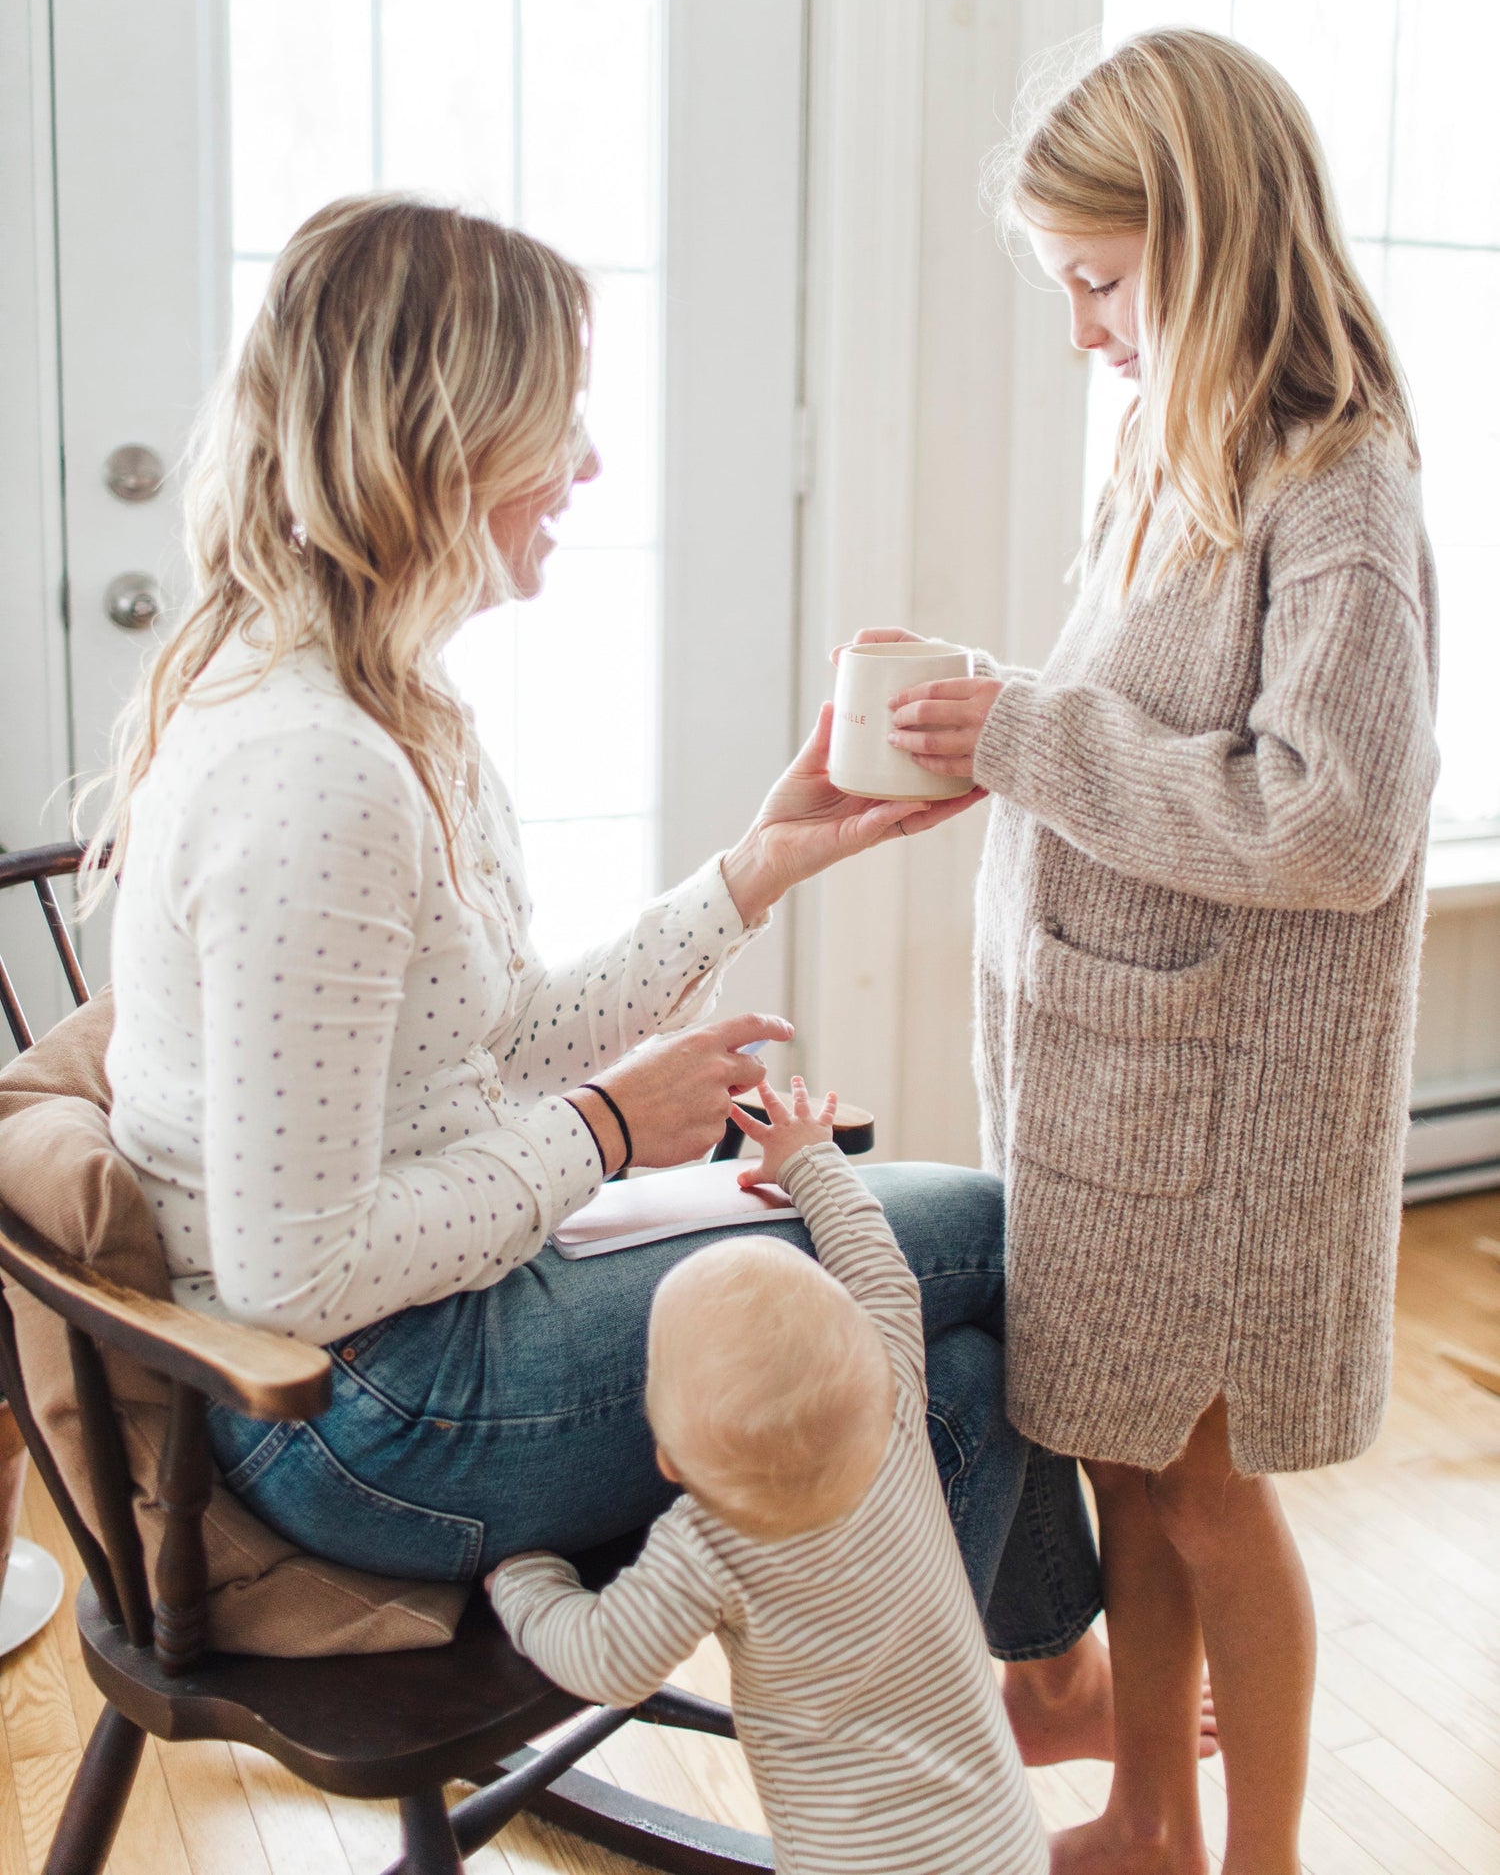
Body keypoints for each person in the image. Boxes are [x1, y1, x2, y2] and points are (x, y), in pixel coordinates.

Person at [83, 191, 1107, 1750]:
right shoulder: (315, 771)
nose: (591, 463)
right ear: (445, 437)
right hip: (354, 1413)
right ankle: (954, 1736)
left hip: (421, 1327)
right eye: (560, 416)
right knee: (984, 1233)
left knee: (951, 1373)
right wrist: (611, 1131)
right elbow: (299, 1275)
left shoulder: (387, 701)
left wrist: (760, 862)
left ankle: (965, 1732)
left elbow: (490, 1041)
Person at [877, 29, 1438, 1874]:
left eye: (1102, 283)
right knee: (1125, 1457)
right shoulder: (1164, 446)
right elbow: (1139, 715)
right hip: (1115, 1086)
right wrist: (995, 727)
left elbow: (1335, 819)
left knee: (1204, 1484)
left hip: (1224, 1112)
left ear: (1208, 240)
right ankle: (1147, 1819)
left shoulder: (1337, 486)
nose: (1084, 331)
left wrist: (1030, 736)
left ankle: (1255, 1857)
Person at [490, 1077, 1049, 1875]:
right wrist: (809, 1160)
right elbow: (879, 1270)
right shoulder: (892, 1411)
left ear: (667, 1458)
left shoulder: (708, 1541)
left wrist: (524, 1580)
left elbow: (608, 1661)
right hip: (1004, 1844)